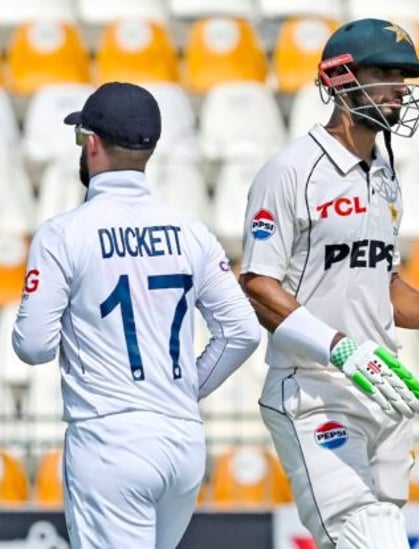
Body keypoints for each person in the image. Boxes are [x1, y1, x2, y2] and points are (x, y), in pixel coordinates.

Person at [239, 18, 419, 549]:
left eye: (405, 75)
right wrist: (341, 351)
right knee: (368, 536)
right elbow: (258, 285)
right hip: (314, 390)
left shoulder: (385, 174)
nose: (400, 87)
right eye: (386, 73)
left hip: (382, 389)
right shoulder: (290, 171)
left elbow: (380, 283)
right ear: (341, 80)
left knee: (375, 533)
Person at [12, 82, 262, 549]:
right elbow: (243, 332)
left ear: (90, 143)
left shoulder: (63, 234)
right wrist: (187, 388)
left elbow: (33, 346)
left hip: (111, 440)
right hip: (183, 442)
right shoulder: (192, 232)